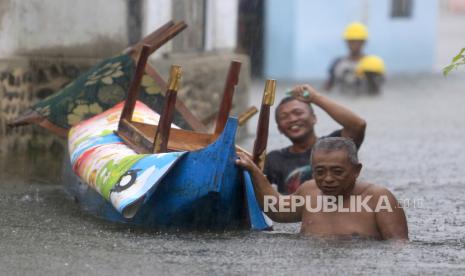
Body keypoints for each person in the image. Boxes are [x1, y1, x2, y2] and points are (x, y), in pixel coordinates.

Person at [237, 137, 408, 240]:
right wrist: (253, 171)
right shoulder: (309, 190)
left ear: (356, 170)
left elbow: (397, 252)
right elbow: (276, 210)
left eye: (337, 171)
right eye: (319, 171)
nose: (327, 179)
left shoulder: (380, 199)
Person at [263, 84, 366, 194]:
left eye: (298, 113)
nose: (292, 119)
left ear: (314, 118)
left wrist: (315, 98)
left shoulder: (336, 146)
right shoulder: (274, 159)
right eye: (284, 117)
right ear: (279, 128)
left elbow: (357, 125)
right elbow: (255, 188)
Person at [324, 22, 385, 94]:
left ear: (364, 42)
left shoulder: (374, 64)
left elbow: (377, 90)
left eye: (358, 41)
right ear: (347, 42)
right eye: (352, 41)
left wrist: (370, 76)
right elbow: (327, 88)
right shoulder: (337, 63)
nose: (355, 44)